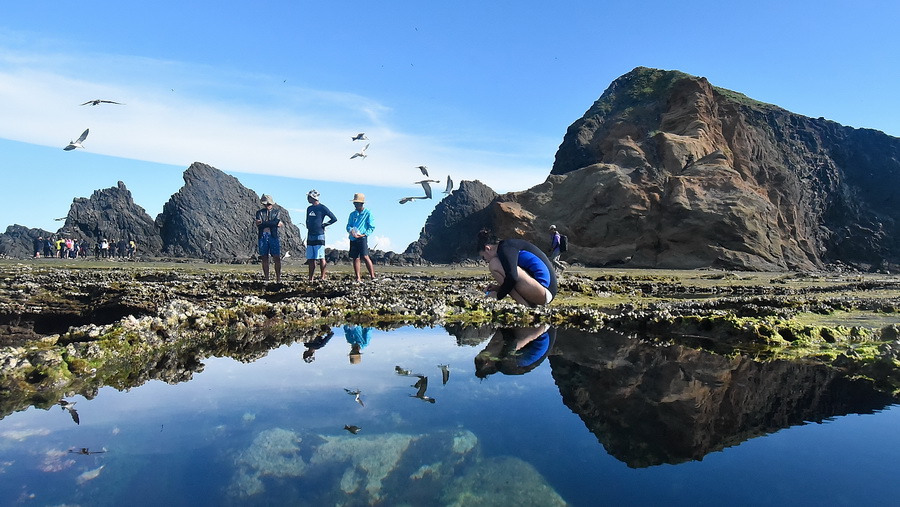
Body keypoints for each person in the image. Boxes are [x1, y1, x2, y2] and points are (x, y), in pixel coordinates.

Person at [477, 229, 557, 307]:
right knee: (504, 272)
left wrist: (498, 295)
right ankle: (528, 304)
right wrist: (499, 288)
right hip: (543, 291)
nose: (486, 261)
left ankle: (524, 305)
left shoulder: (505, 249)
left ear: (487, 248)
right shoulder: (508, 246)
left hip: (544, 292)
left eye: (484, 257)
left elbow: (512, 278)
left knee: (494, 264)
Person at [474, 325, 556, 378]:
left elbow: (503, 331)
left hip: (540, 334)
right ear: (488, 362)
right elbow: (512, 339)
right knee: (502, 336)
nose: (486, 347)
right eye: (484, 350)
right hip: (544, 333)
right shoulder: (505, 364)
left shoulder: (500, 359)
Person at [305, 189, 337, 280]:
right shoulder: (309, 208)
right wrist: (308, 225)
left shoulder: (322, 208)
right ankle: (310, 278)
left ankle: (322, 277)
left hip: (319, 234)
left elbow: (334, 218)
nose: (307, 198)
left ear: (313, 197)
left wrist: (324, 225)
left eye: (308, 197)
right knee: (311, 258)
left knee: (321, 256)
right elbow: (307, 219)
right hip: (310, 234)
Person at [346, 193, 376, 282]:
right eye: (354, 203)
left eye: (356, 203)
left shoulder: (368, 213)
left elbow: (372, 226)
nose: (354, 205)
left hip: (362, 238)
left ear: (361, 204)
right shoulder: (352, 214)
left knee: (365, 256)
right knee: (355, 257)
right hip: (353, 238)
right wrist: (351, 231)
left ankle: (372, 276)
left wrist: (364, 234)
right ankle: (358, 278)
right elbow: (348, 225)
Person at [255, 194, 283, 282]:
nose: (267, 205)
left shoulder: (277, 212)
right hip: (262, 236)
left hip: (273, 236)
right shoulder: (259, 212)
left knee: (276, 257)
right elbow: (275, 223)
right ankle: (267, 278)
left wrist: (263, 223)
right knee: (264, 257)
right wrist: (273, 223)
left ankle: (278, 278)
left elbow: (262, 223)